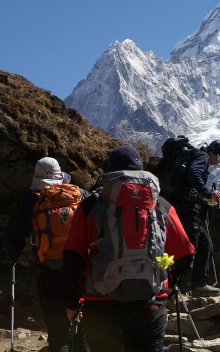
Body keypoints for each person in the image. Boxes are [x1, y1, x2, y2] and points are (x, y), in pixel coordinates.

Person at [62, 144, 195, 352]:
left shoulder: (90, 206)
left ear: (110, 172)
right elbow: (186, 255)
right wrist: (169, 284)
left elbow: (73, 258)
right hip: (149, 304)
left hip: (100, 305)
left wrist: (72, 303)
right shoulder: (160, 205)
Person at [3, 157, 88, 352]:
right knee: (83, 331)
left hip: (50, 272)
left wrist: (10, 258)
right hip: (82, 275)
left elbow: (13, 236)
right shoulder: (80, 195)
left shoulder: (29, 201)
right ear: (60, 176)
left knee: (58, 334)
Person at [166, 139, 220, 297]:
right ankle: (172, 285)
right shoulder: (203, 157)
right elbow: (193, 173)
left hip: (181, 204)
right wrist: (208, 193)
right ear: (214, 152)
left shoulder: (196, 156)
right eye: (219, 158)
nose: (217, 163)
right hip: (185, 207)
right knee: (189, 246)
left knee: (205, 241)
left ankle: (199, 284)